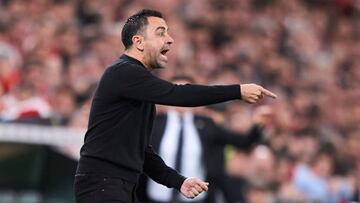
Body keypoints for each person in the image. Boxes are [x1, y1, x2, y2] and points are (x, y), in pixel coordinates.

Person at [74, 9, 277, 203]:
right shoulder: (124, 72)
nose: (170, 39)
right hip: (103, 183)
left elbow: (144, 154)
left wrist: (179, 181)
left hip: (119, 184)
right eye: (161, 33)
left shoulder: (136, 88)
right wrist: (237, 91)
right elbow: (179, 94)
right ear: (139, 42)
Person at [136, 75, 273, 203]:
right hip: (154, 197)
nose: (181, 98)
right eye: (177, 91)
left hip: (197, 198)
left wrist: (258, 125)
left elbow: (242, 141)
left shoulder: (206, 124)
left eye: (187, 92)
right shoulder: (154, 123)